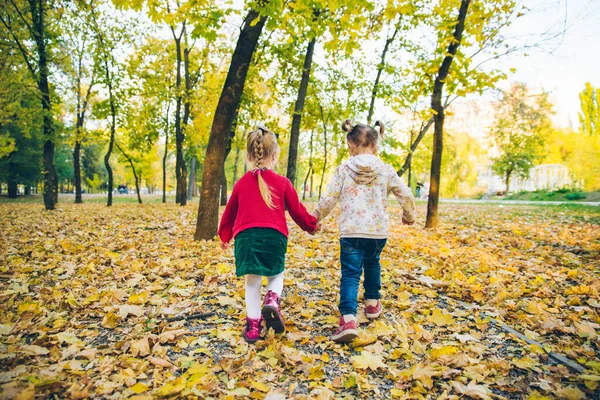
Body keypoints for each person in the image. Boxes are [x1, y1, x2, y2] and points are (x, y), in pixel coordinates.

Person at [313, 119, 416, 343]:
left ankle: (349, 319)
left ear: (352, 145)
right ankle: (371, 304)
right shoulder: (385, 169)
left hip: (351, 232)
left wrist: (316, 217)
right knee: (372, 265)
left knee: (350, 275)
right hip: (377, 232)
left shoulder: (343, 169)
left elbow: (329, 198)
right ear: (375, 145)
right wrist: (409, 215)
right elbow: (406, 193)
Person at [218, 127, 319, 343]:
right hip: (275, 237)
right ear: (274, 156)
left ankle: (253, 326)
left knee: (252, 282)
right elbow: (297, 210)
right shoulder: (283, 183)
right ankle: (272, 301)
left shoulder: (241, 184)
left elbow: (229, 213)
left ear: (248, 155)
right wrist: (311, 225)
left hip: (246, 238)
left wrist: (224, 235)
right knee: (276, 274)